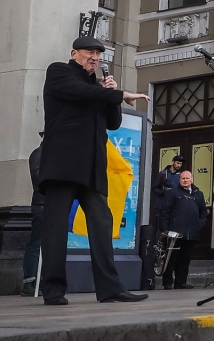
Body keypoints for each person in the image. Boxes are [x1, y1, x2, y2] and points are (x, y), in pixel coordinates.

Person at [39, 36, 150, 305]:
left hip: (92, 168)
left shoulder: (97, 88)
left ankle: (110, 288)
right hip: (64, 165)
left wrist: (112, 97)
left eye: (99, 54)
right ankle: (53, 290)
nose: (95, 57)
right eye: (90, 52)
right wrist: (118, 94)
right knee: (55, 228)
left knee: (102, 224)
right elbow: (81, 93)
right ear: (74, 53)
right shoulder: (59, 72)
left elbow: (112, 123)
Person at [159, 171, 207, 289]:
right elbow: (165, 212)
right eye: (182, 178)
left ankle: (181, 282)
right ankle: (168, 282)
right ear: (179, 180)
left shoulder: (199, 194)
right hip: (175, 233)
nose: (185, 180)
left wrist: (198, 225)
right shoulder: (172, 193)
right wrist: (164, 229)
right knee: (171, 258)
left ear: (192, 179)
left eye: (187, 178)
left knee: (185, 259)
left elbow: (203, 213)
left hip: (191, 233)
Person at [21, 131, 46, 297]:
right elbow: (37, 177)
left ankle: (40, 280)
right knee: (36, 243)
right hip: (42, 204)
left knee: (45, 244)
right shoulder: (38, 153)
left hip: (49, 204)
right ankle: (29, 281)